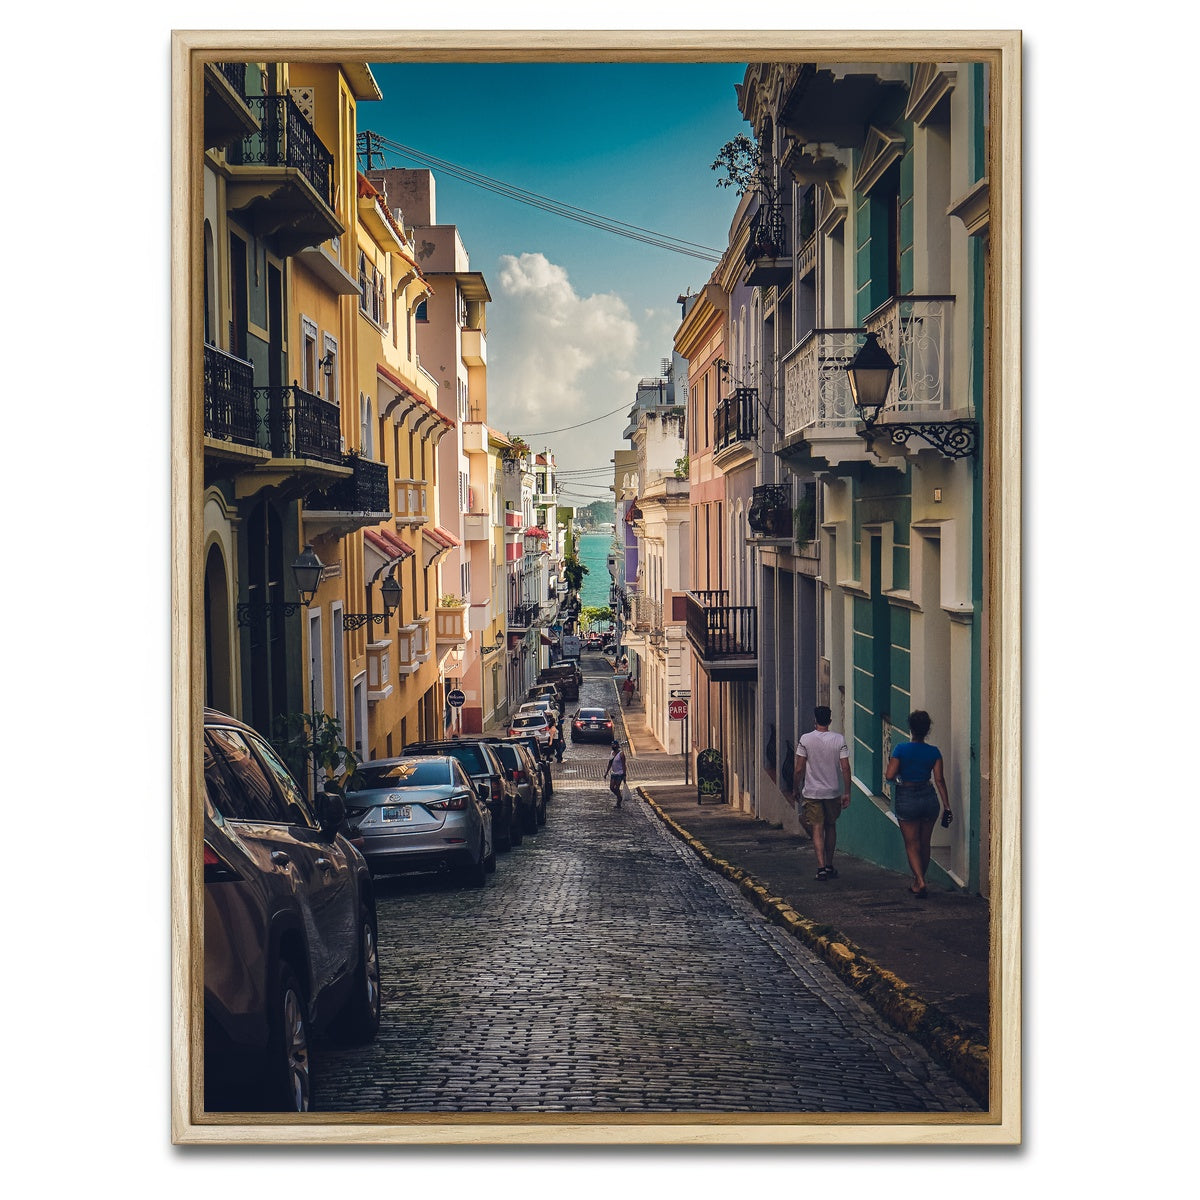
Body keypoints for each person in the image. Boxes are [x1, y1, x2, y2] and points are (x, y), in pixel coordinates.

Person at [885, 710, 952, 899]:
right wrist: (946, 806)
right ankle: (919, 880)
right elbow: (939, 780)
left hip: (907, 797)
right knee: (925, 843)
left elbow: (889, 775)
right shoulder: (934, 752)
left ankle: (920, 881)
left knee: (911, 843)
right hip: (929, 798)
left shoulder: (900, 749)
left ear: (911, 728)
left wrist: (900, 779)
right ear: (927, 729)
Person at [794, 706, 851, 882]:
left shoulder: (805, 739)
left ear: (815, 720)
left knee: (817, 828)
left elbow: (799, 768)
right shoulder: (838, 739)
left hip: (812, 792)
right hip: (832, 791)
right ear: (830, 721)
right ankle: (829, 864)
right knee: (831, 826)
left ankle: (820, 868)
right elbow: (845, 768)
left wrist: (795, 788)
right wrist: (847, 792)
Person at [604, 740, 627, 808]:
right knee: (612, 787)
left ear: (617, 746)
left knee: (617, 788)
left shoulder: (621, 754)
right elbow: (610, 764)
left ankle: (618, 802)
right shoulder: (612, 753)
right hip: (614, 773)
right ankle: (619, 797)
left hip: (620, 773)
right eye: (612, 745)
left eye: (614, 745)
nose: (612, 746)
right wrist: (606, 772)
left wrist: (624, 775)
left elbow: (623, 765)